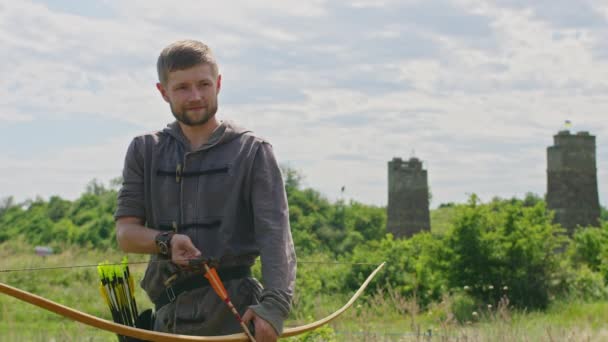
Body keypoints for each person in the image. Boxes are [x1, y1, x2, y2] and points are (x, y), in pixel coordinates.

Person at [114, 39, 296, 342]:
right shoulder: (144, 150)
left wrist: (274, 306)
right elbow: (126, 234)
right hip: (167, 319)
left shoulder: (253, 151)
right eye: (182, 87)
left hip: (234, 317)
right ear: (163, 92)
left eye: (204, 84)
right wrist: (167, 242)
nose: (195, 96)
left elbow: (276, 238)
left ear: (219, 84)